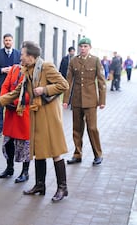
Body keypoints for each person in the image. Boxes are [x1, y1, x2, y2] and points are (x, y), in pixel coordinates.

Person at [0, 41, 69, 202]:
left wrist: (44, 89)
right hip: (36, 116)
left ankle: (62, 188)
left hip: (49, 118)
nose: (20, 56)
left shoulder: (46, 67)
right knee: (39, 152)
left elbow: (64, 84)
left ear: (30, 56)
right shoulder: (28, 70)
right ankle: (40, 185)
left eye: (22, 54)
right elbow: (16, 92)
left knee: (55, 152)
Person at [63, 37, 106, 166]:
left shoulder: (95, 61)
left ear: (90, 48)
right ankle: (77, 154)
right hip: (76, 100)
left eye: (85, 46)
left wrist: (102, 100)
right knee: (77, 128)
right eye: (81, 46)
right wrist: (66, 100)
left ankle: (98, 154)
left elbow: (101, 81)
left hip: (91, 101)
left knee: (92, 128)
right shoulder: (74, 61)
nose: (83, 48)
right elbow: (68, 81)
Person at [0, 64, 31, 183]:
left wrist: (15, 102)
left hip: (23, 112)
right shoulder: (14, 69)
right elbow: (5, 86)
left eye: (24, 55)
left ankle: (25, 172)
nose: (21, 58)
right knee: (9, 142)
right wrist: (4, 100)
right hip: (11, 113)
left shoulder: (34, 71)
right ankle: (9, 167)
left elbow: (30, 93)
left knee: (25, 144)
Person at [0, 33, 21, 138]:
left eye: (9, 40)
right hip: (0, 84)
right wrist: (2, 70)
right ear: (3, 41)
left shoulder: (18, 53)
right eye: (6, 40)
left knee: (14, 107)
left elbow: (22, 68)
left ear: (12, 41)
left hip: (14, 86)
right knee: (0, 107)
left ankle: (12, 130)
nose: (8, 42)